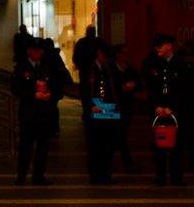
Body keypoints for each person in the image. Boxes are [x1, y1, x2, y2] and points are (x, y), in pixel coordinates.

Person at [12, 38, 63, 185]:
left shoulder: (47, 68)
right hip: (28, 114)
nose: (37, 53)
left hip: (44, 114)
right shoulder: (22, 68)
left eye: (40, 50)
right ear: (29, 51)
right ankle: (21, 176)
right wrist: (33, 95)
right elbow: (16, 89)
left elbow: (57, 87)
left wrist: (50, 96)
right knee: (25, 147)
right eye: (35, 50)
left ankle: (38, 175)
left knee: (43, 147)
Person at [142, 34, 188, 186]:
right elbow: (151, 87)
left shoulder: (181, 64)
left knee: (177, 144)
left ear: (168, 46)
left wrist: (173, 108)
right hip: (159, 110)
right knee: (159, 144)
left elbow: (185, 90)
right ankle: (160, 175)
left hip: (175, 110)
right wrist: (156, 106)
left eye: (160, 46)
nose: (157, 50)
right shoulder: (154, 63)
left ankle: (177, 176)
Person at [80, 42, 117, 184]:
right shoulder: (89, 69)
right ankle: (95, 175)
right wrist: (90, 106)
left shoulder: (107, 69)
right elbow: (84, 91)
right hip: (95, 111)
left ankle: (106, 174)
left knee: (107, 145)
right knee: (95, 145)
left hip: (108, 109)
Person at [110, 44, 141, 172]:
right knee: (117, 134)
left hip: (127, 106)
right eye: (123, 53)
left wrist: (133, 85)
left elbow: (140, 85)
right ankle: (127, 162)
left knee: (120, 134)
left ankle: (112, 161)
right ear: (117, 55)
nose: (126, 56)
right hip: (113, 106)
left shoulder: (131, 69)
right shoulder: (111, 69)